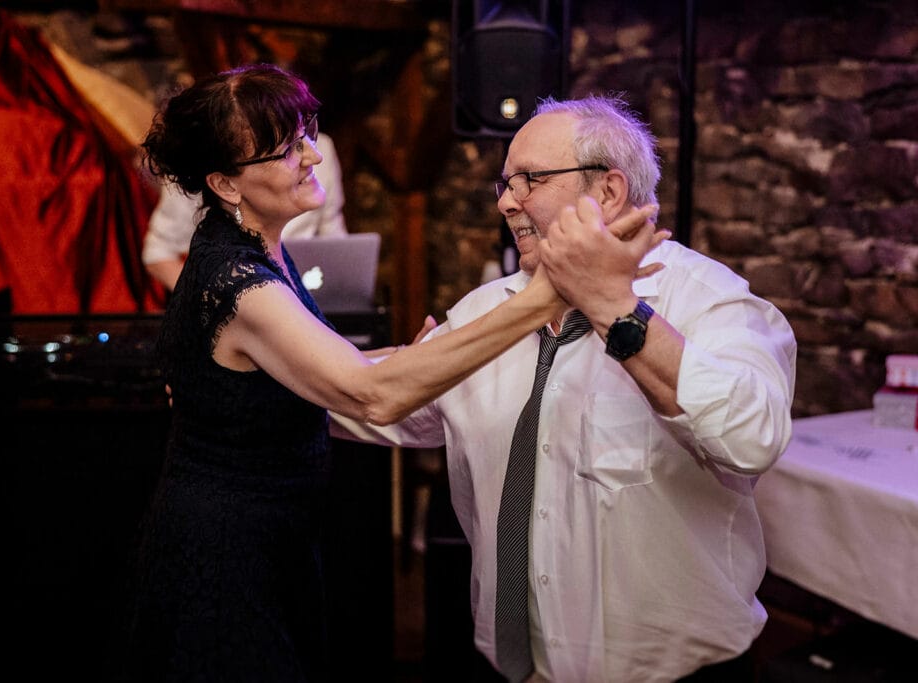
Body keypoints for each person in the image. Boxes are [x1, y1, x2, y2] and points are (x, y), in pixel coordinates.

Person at [116, 65, 663, 683]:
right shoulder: (237, 282)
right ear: (225, 183)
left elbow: (323, 363)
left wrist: (407, 356)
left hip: (273, 538)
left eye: (306, 133)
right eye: (284, 149)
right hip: (224, 549)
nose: (310, 155)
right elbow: (371, 395)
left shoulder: (262, 248)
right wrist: (554, 290)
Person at [333, 95, 797, 683]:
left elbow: (752, 439)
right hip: (514, 669)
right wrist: (251, 370)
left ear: (608, 190)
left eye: (529, 179)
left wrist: (615, 308)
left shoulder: (712, 302)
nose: (506, 202)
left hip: (675, 675)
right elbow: (374, 401)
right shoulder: (483, 313)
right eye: (505, 184)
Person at [141, 130, 347, 291]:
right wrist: (208, 302)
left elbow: (334, 238)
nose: (315, 157)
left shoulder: (323, 148)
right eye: (288, 150)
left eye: (307, 133)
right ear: (225, 185)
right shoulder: (247, 282)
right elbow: (157, 252)